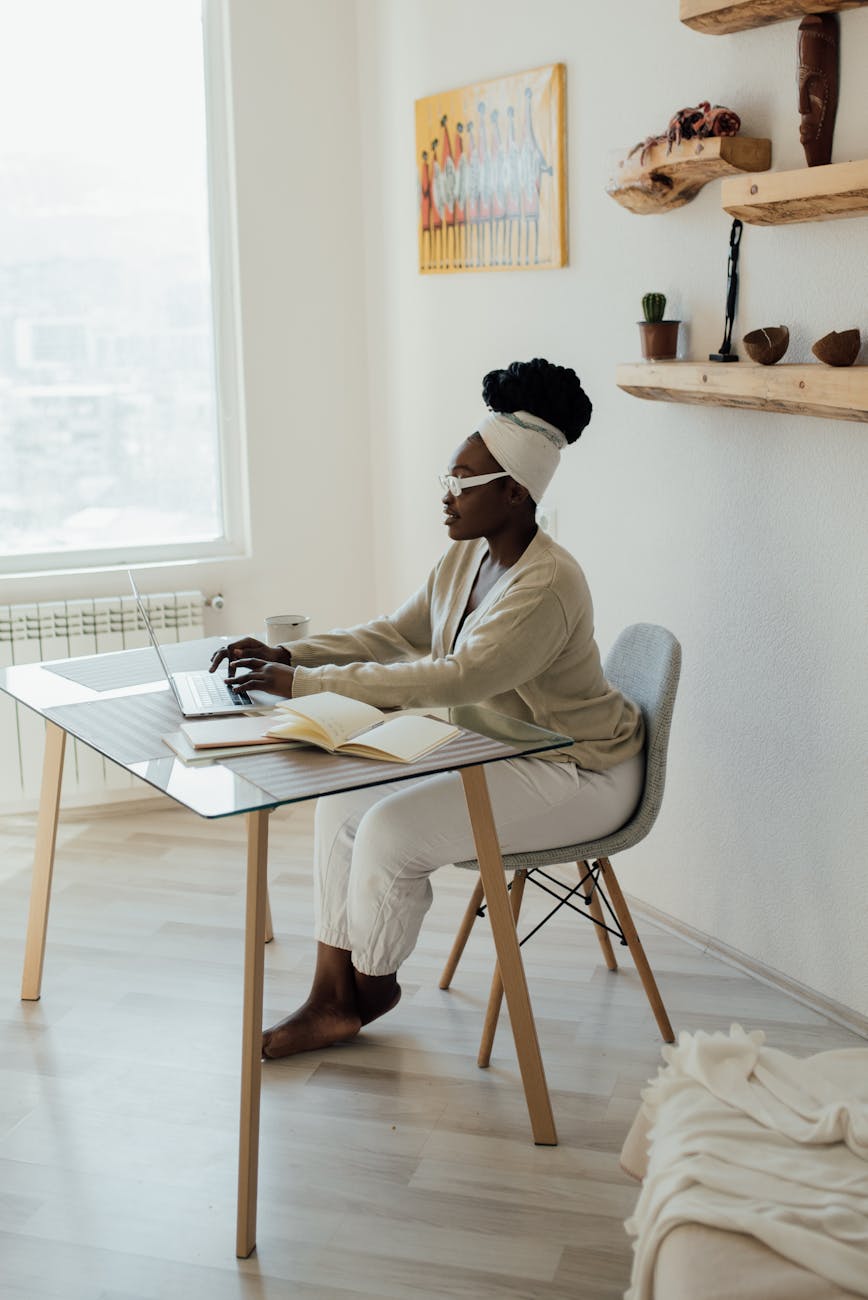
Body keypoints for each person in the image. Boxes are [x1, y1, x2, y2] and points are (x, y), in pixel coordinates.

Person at [210, 358, 645, 1061]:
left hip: (576, 769)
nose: (446, 496)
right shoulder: (467, 556)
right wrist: (297, 658)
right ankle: (332, 996)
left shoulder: (548, 584)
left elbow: (454, 678)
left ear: (512, 492)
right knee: (340, 807)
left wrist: (306, 690)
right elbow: (396, 632)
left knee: (388, 834)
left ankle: (370, 984)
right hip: (497, 748)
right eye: (449, 478)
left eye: (461, 482)